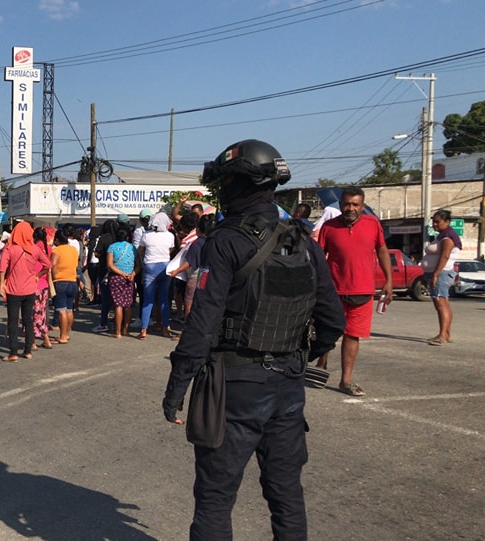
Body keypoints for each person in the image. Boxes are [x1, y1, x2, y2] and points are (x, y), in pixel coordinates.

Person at [163, 139, 345, 540]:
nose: (221, 190)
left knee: (215, 498)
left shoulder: (225, 241)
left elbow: (202, 323)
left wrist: (177, 386)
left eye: (225, 182)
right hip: (288, 388)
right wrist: (293, 352)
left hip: (234, 388)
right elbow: (333, 321)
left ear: (241, 183)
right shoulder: (303, 242)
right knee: (286, 495)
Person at [316, 186, 393, 396]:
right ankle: (321, 364)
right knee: (328, 331)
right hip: (333, 291)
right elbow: (319, 257)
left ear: (362, 206)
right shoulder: (329, 227)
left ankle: (345, 381)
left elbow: (382, 250)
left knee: (352, 335)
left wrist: (388, 280)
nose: (351, 208)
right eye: (347, 204)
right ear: (340, 205)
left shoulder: (373, 224)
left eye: (355, 204)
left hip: (363, 290)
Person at [0, 221, 52, 362]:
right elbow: (48, 265)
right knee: (28, 320)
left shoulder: (10, 248)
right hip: (30, 290)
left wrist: (2, 284)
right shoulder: (34, 249)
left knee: (13, 321)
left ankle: (13, 353)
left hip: (14, 290)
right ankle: (27, 350)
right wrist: (38, 276)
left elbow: (2, 267)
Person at [421, 209, 462, 345]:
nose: (435, 224)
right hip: (439, 272)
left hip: (442, 272)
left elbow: (445, 256)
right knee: (443, 303)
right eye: (433, 222)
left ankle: (442, 336)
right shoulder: (443, 235)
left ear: (447, 222)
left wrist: (435, 274)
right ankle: (446, 333)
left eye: (438, 222)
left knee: (440, 303)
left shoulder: (448, 237)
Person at [138, 212, 175, 339]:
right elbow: (170, 250)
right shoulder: (170, 236)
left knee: (148, 300)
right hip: (165, 267)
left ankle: (144, 329)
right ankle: (165, 328)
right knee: (164, 300)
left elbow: (140, 251)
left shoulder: (146, 235)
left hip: (149, 267)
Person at [106, 227, 138, 338]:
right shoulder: (133, 248)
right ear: (128, 236)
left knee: (118, 305)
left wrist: (121, 273)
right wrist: (132, 274)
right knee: (128, 304)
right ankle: (126, 330)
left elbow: (110, 265)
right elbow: (139, 265)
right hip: (130, 277)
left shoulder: (112, 247)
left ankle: (118, 332)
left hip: (116, 277)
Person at [50, 228, 79, 344]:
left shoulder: (57, 250)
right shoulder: (73, 250)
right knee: (69, 310)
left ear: (57, 240)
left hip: (60, 281)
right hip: (72, 281)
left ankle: (62, 336)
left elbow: (53, 265)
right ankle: (66, 334)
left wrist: (53, 278)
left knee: (61, 310)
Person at [92, 219, 120, 332]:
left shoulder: (103, 238)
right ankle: (118, 322)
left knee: (106, 298)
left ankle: (104, 322)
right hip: (119, 270)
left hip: (104, 270)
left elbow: (97, 253)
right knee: (118, 300)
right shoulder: (119, 237)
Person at [28, 226, 54, 349]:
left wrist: (37, 275)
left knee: (32, 313)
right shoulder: (48, 248)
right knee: (43, 312)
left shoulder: (33, 248)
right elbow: (49, 265)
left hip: (34, 282)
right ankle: (46, 338)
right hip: (44, 284)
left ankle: (32, 341)